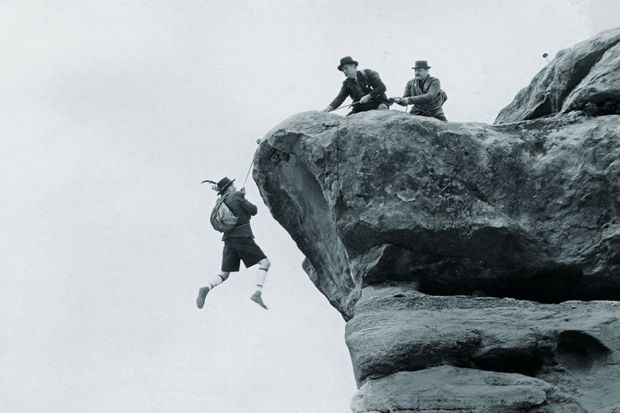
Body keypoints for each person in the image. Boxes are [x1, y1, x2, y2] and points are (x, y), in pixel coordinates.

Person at [196, 177, 271, 310]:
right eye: (233, 185)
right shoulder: (237, 196)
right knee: (265, 263)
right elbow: (253, 210)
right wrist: (243, 198)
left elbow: (234, 210)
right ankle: (257, 293)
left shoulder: (220, 201)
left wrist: (241, 197)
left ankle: (207, 287)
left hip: (229, 240)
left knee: (224, 274)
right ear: (229, 187)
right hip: (242, 237)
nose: (235, 187)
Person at [324, 56, 390, 115]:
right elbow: (341, 97)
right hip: (361, 108)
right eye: (343, 70)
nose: (344, 71)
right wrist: (329, 108)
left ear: (354, 66)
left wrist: (368, 96)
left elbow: (382, 87)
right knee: (346, 121)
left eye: (346, 68)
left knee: (381, 111)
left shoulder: (368, 73)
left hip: (378, 103)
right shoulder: (346, 83)